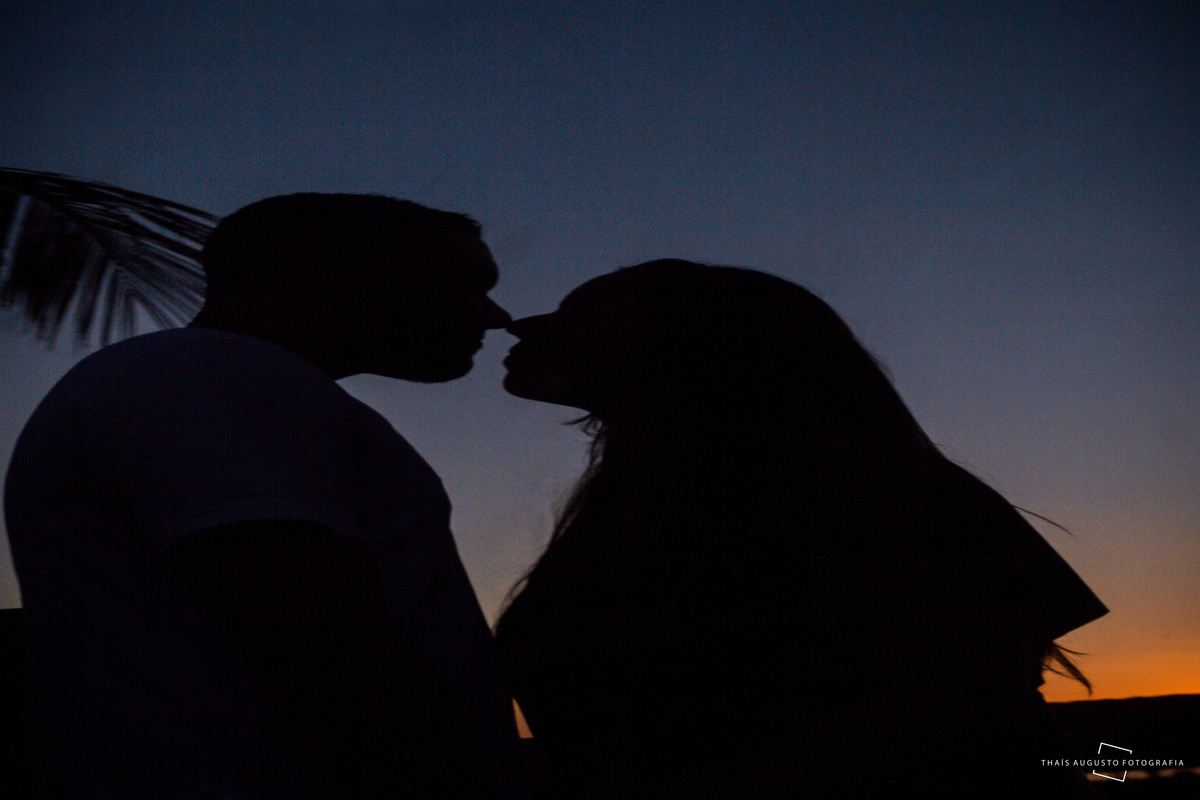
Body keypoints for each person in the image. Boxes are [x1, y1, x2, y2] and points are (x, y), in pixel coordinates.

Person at [495, 259, 1108, 798]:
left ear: (694, 347)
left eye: (585, 312)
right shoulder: (664, 503)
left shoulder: (878, 497)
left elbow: (974, 728)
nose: (521, 322)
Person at [5, 193, 527, 800]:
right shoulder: (208, 374)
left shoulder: (213, 379)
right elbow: (321, 645)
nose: (494, 315)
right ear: (326, 270)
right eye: (464, 283)